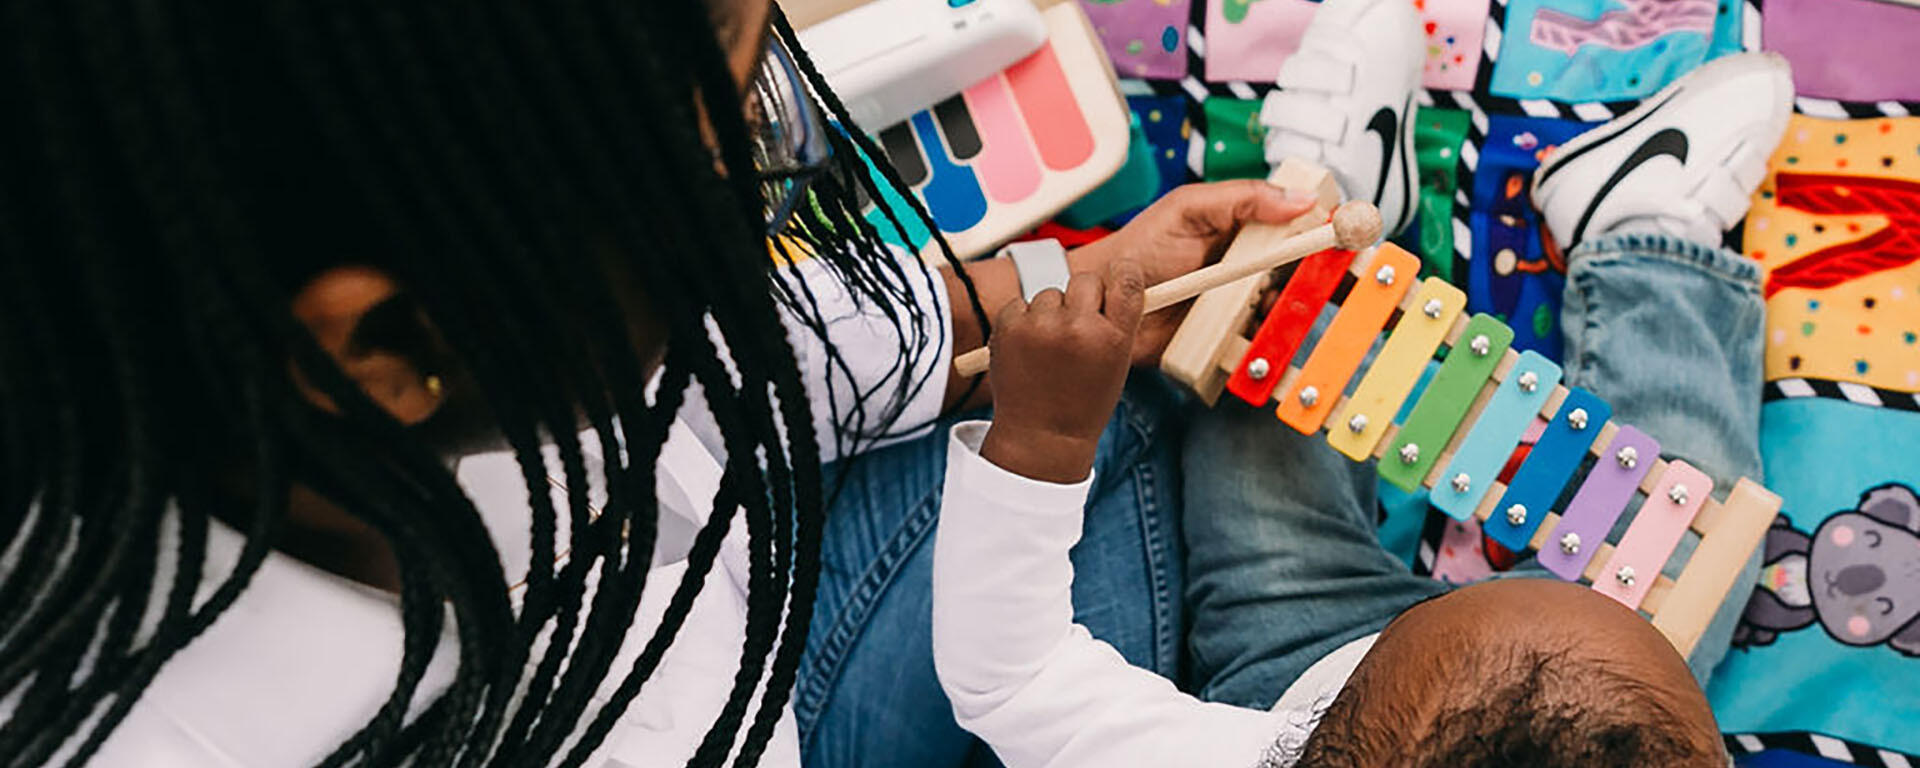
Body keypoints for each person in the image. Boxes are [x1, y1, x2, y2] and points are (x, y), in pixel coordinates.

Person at [0, 0, 1309, 764]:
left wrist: (1020, 297)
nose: (770, 176)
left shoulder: (373, 347)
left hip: (745, 639)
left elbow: (718, 357)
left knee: (1116, 419)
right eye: (727, 150)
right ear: (385, 354)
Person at [928, 18, 1791, 767]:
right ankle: (1647, 237)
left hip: (1298, 666)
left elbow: (1014, 678)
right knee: (1689, 504)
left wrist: (1041, 440)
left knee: (1263, 382)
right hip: (1598, 717)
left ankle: (1314, 208)